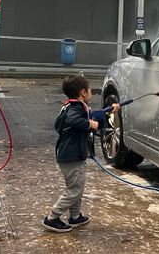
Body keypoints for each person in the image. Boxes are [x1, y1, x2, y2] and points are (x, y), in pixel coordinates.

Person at [43, 75, 119, 233]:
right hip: (72, 157)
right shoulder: (75, 109)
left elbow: (89, 114)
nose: (92, 93)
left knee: (76, 188)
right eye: (90, 90)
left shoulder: (72, 106)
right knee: (74, 190)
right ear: (83, 93)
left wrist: (110, 110)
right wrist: (91, 124)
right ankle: (52, 218)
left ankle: (75, 216)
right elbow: (74, 120)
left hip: (72, 156)